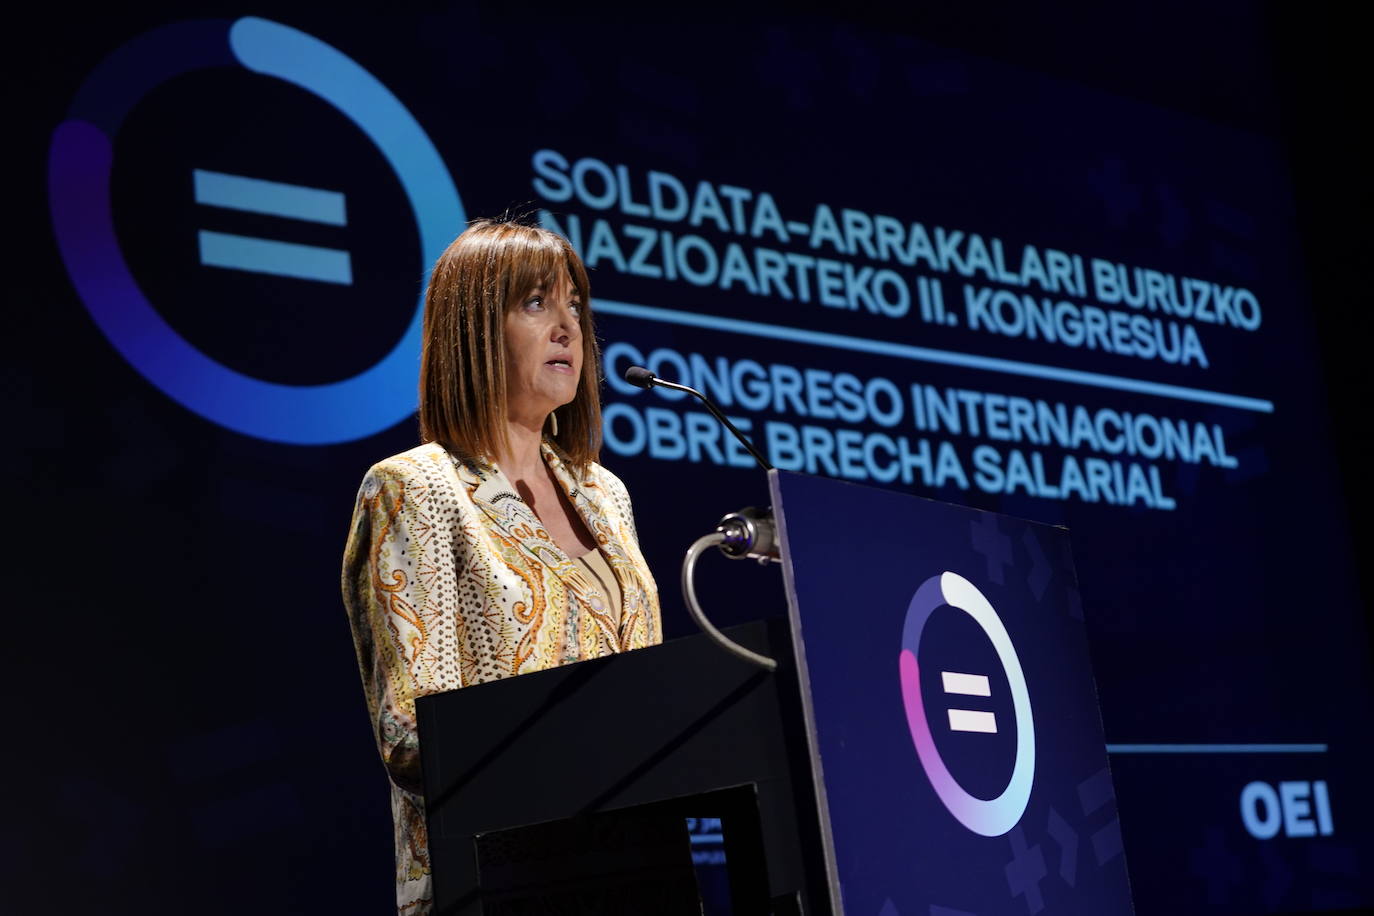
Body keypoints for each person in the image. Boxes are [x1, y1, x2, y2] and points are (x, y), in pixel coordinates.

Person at [341, 219, 662, 915]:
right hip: (498, 878)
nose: (567, 329)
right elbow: (412, 736)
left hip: (639, 864)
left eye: (575, 304)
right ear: (473, 331)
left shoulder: (605, 496)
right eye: (536, 304)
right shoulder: (414, 488)